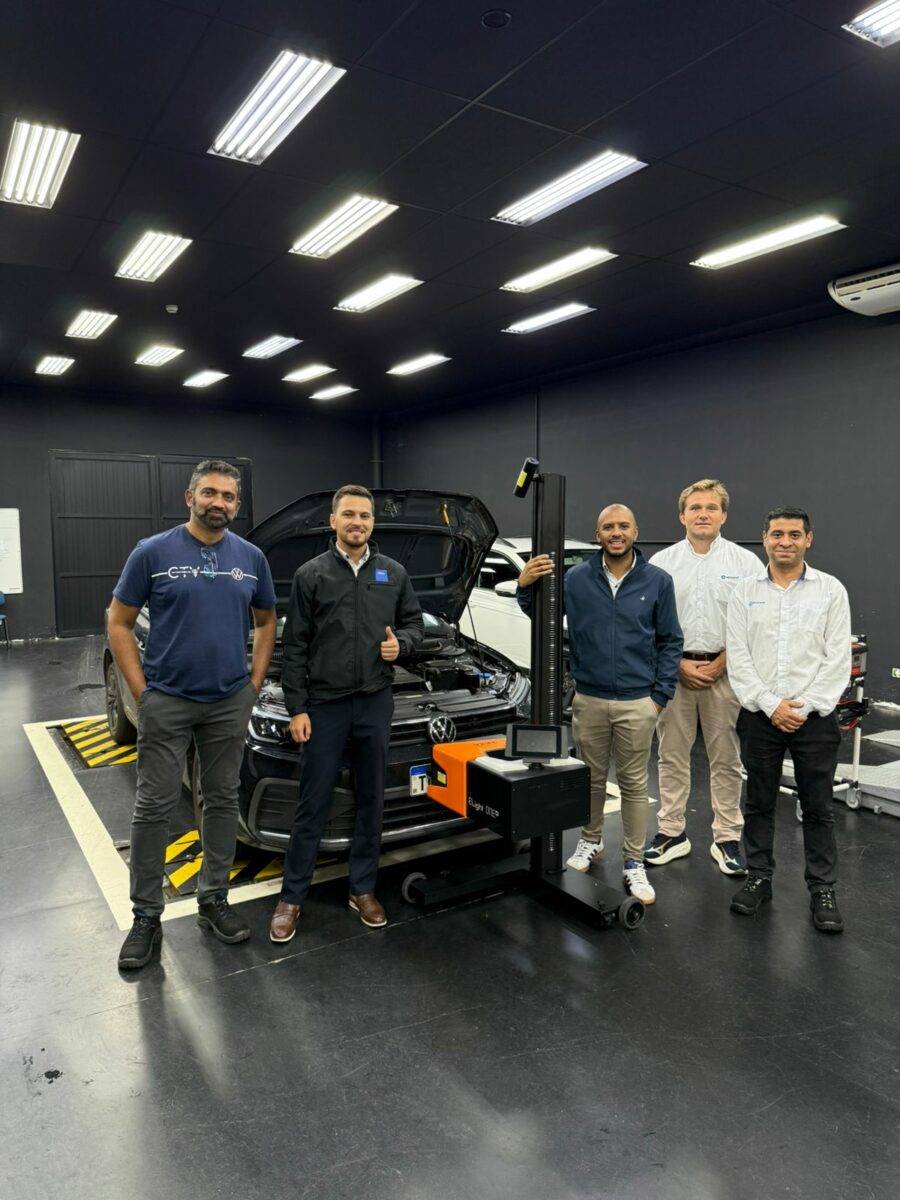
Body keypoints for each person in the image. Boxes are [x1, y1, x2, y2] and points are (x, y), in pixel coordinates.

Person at [109, 460, 277, 969]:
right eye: (209, 493)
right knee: (153, 807)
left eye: (228, 496)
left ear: (237, 505)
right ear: (190, 497)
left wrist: (252, 686)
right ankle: (146, 916)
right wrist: (143, 694)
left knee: (221, 801)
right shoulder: (153, 552)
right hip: (168, 701)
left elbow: (266, 621)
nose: (218, 503)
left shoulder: (250, 557)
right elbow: (119, 623)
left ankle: (213, 900)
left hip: (228, 702)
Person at [269, 485, 424, 943]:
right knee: (312, 802)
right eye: (350, 515)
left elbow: (414, 624)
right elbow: (294, 647)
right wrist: (298, 707)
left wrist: (403, 645)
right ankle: (292, 897)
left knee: (371, 799)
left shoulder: (393, 573)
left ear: (373, 523)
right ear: (333, 521)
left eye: (366, 516)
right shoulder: (311, 574)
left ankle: (363, 889)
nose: (358, 522)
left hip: (375, 701)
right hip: (325, 706)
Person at [517, 504, 682, 906]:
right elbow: (541, 615)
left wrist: (659, 697)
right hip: (589, 699)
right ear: (598, 535)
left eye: (623, 526)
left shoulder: (658, 581)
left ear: (635, 532)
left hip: (637, 702)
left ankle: (634, 861)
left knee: (634, 784)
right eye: (608, 527)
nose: (616, 532)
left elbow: (671, 640)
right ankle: (590, 841)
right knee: (590, 779)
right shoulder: (576, 579)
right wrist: (524, 585)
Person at [726, 507, 851, 932]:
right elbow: (739, 657)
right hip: (760, 717)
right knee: (758, 803)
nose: (785, 542)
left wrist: (803, 705)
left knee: (818, 807)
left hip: (813, 719)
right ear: (764, 538)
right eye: (777, 534)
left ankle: (822, 888)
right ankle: (759, 877)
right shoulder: (744, 592)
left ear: (808, 540)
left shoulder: (831, 591)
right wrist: (770, 704)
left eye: (794, 534)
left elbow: (837, 659)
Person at [646, 479, 761, 875]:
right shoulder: (661, 564)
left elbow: (756, 623)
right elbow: (649, 622)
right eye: (695, 508)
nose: (703, 514)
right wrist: (678, 664)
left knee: (726, 759)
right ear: (682, 516)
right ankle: (671, 832)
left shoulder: (746, 564)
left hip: (724, 674)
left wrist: (722, 662)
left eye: (711, 507)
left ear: (723, 515)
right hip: (673, 672)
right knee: (671, 756)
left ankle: (727, 838)